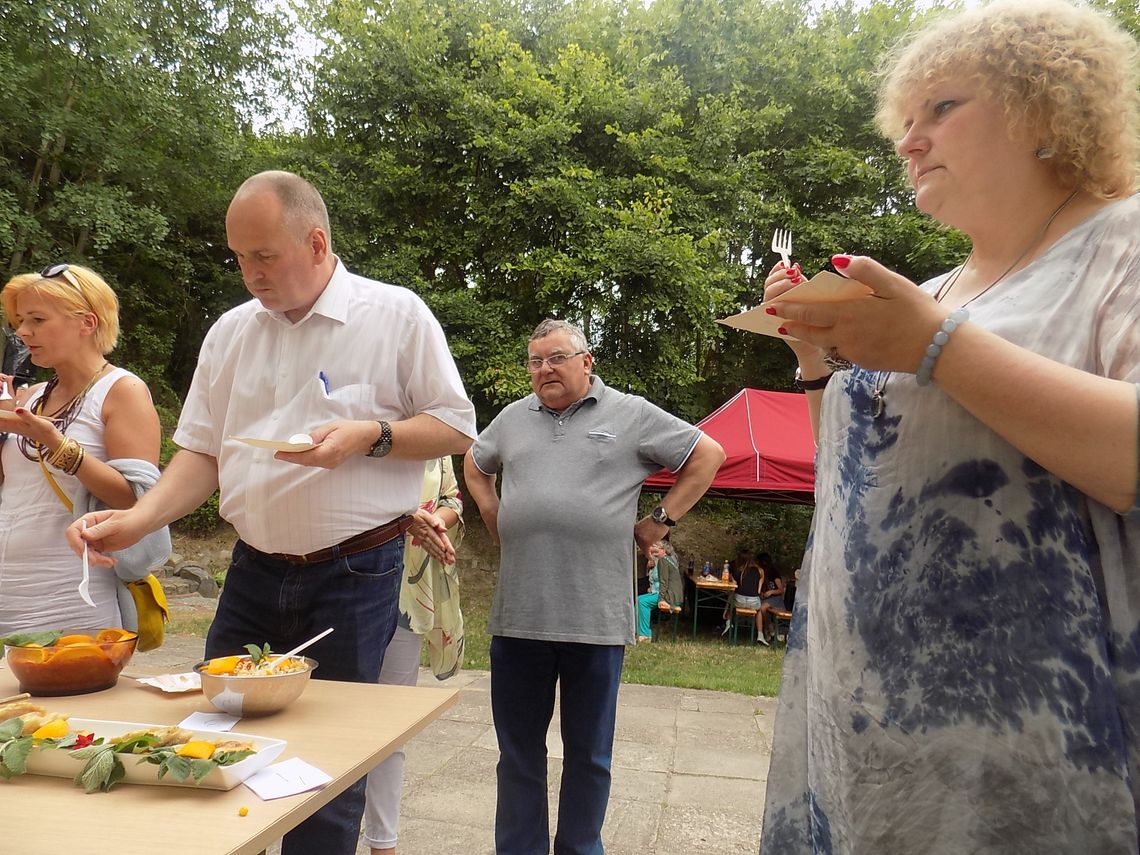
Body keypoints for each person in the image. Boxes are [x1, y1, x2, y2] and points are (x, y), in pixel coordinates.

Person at [759, 1, 1140, 851]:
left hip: (1029, 758)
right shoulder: (934, 291)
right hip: (872, 746)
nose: (909, 139)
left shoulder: (1123, 242)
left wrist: (932, 347)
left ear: (1045, 110)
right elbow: (854, 480)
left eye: (942, 108)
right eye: (906, 118)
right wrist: (818, 359)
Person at [69, 171, 476, 855]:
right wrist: (136, 520)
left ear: (316, 242)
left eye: (264, 256)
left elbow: (456, 427)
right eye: (239, 258)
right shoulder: (231, 332)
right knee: (214, 748)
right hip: (252, 570)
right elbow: (200, 455)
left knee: (324, 772)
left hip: (355, 573)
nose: (250, 273)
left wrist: (370, 435)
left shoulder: (395, 315)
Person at [464, 318, 724, 855]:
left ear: (587, 361)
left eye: (556, 358)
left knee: (588, 755)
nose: (544, 369)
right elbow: (474, 462)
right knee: (517, 755)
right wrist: (492, 509)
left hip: (596, 617)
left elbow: (707, 456)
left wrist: (660, 520)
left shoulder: (630, 414)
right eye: (535, 361)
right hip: (519, 617)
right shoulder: (513, 419)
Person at [0, 264, 162, 634]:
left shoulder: (122, 391)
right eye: (21, 320)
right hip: (7, 590)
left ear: (87, 323)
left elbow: (136, 502)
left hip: (72, 595)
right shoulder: (31, 396)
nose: (23, 332)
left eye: (37, 319)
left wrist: (56, 443)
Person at [364, 455, 465, 855]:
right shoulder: (358, 425)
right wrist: (409, 520)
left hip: (408, 596)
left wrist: (435, 521)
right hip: (344, 590)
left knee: (390, 729)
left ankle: (382, 844)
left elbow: (453, 499)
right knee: (332, 723)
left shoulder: (436, 446)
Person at [756, 552, 785, 645]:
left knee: (762, 608)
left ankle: (768, 627)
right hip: (764, 597)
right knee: (759, 608)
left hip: (775, 598)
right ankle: (764, 630)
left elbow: (781, 590)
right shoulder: (760, 573)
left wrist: (771, 592)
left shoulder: (774, 573)